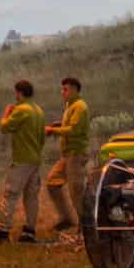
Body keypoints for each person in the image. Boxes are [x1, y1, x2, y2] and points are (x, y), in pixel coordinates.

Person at [0, 79, 44, 244]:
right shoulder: (38, 110)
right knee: (31, 197)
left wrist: (6, 112)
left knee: (11, 194)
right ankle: (29, 230)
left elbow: (5, 127)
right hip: (35, 158)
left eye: (16, 93)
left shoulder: (21, 110)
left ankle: (2, 232)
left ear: (20, 93)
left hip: (21, 159)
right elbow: (42, 136)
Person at [44, 76, 90, 236]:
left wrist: (52, 130)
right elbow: (69, 126)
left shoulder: (80, 107)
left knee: (77, 192)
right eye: (62, 89)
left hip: (76, 155)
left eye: (66, 89)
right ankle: (66, 219)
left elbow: (74, 130)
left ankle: (86, 226)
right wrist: (59, 125)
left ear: (75, 90)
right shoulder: (70, 106)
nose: (62, 92)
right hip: (67, 155)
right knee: (52, 182)